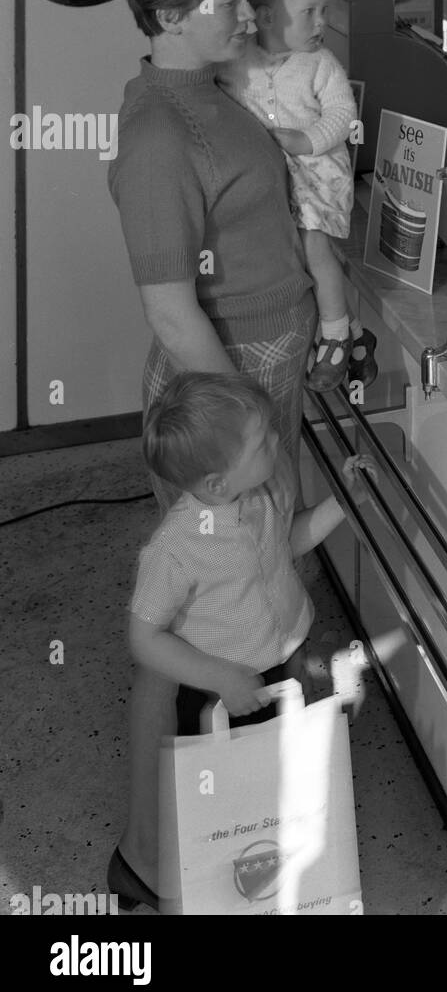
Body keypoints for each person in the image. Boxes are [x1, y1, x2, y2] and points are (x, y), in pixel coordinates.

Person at [107, 0, 318, 911]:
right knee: (185, 628)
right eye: (230, 0)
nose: (247, 14)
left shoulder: (204, 85)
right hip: (220, 417)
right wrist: (253, 444)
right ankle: (147, 858)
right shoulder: (158, 127)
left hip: (257, 386)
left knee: (232, 607)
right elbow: (172, 310)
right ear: (172, 5)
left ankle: (228, 827)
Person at [111, 372, 376, 910]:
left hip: (284, 664)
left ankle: (281, 884)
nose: (278, 441)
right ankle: (214, 888)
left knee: (277, 787)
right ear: (214, 484)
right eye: (263, 441)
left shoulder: (264, 493)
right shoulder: (176, 549)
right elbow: (144, 637)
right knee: (224, 798)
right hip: (222, 690)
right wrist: (219, 678)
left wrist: (340, 504)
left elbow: (286, 546)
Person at [220, 0, 377, 390]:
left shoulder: (320, 64)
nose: (321, 23)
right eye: (308, 12)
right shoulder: (237, 62)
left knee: (314, 248)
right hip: (274, 179)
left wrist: (304, 141)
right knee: (294, 258)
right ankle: (359, 338)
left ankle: (334, 338)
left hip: (317, 175)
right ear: (266, 17)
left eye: (324, 11)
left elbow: (343, 113)